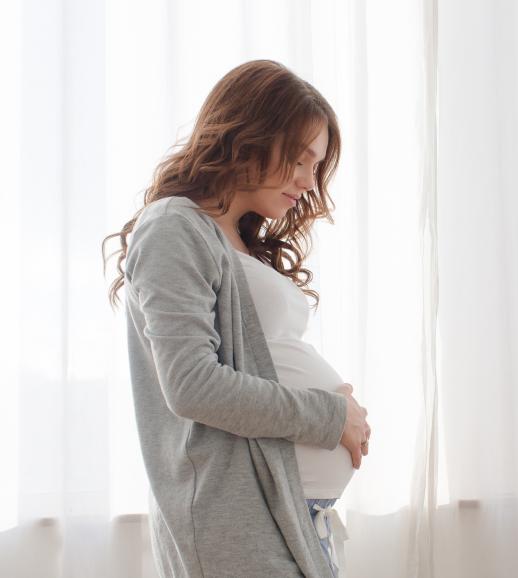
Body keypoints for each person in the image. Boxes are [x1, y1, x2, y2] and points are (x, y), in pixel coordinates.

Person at [102, 59, 371, 578]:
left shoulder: (236, 238)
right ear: (251, 135)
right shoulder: (174, 227)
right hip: (234, 527)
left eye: (316, 167)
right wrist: (330, 417)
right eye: (300, 159)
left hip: (287, 518)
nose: (308, 181)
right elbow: (192, 386)